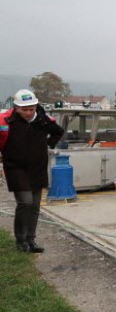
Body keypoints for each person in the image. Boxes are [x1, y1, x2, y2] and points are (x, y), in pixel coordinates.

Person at [0, 89, 64, 253]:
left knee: (35, 205)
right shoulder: (6, 121)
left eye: (31, 109)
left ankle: (31, 239)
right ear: (16, 108)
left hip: (37, 168)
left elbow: (58, 131)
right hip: (15, 168)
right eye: (24, 110)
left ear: (36, 106)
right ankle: (20, 240)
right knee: (25, 202)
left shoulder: (43, 120)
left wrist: (49, 144)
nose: (28, 113)